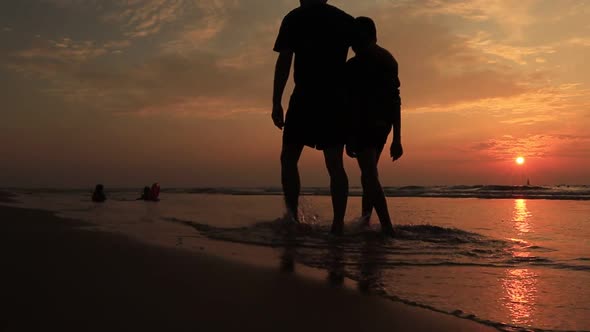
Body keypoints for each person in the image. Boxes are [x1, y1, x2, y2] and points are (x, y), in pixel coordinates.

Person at [272, 0, 355, 235]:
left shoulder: (294, 17)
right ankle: (337, 224)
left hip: (306, 96)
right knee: (335, 164)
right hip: (335, 98)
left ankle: (292, 217)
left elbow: (284, 62)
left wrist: (276, 100)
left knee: (289, 157)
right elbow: (362, 56)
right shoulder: (345, 20)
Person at [345, 17, 403, 237]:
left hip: (368, 124)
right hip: (380, 125)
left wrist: (398, 138)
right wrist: (396, 137)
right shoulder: (387, 59)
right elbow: (395, 100)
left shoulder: (367, 63)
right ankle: (366, 221)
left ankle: (387, 227)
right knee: (368, 174)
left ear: (366, 37)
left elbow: (393, 99)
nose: (352, 45)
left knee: (368, 174)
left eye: (355, 39)